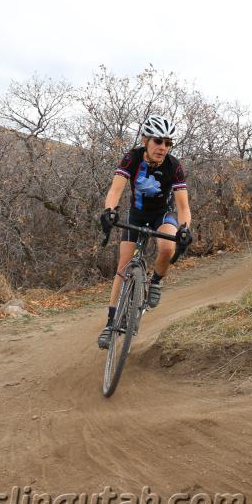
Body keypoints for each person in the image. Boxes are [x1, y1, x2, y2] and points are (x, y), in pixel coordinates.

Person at [98, 114, 192, 349]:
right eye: (158, 141)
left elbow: (183, 206)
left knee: (168, 246)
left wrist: (185, 228)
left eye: (168, 143)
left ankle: (156, 281)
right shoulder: (132, 158)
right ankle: (111, 324)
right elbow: (115, 190)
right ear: (145, 140)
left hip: (163, 214)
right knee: (123, 265)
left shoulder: (175, 166)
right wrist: (110, 211)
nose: (163, 147)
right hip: (137, 213)